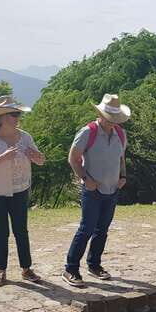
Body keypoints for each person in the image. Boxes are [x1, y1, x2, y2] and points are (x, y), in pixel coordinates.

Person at [62, 94, 129, 287]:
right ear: (100, 114)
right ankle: (71, 268)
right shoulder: (87, 132)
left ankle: (94, 265)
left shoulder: (120, 134)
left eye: (114, 118)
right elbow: (73, 158)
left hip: (112, 189)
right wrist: (85, 179)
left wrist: (123, 176)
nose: (111, 122)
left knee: (102, 230)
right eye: (109, 117)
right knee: (86, 229)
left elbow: (121, 158)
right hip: (92, 190)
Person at [0, 96, 46, 286]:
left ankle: (26, 269)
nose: (18, 117)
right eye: (14, 114)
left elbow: (40, 160)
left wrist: (37, 157)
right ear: (1, 118)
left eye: (18, 114)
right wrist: (3, 156)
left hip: (20, 188)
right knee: (1, 232)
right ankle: (1, 271)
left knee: (21, 230)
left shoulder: (25, 137)